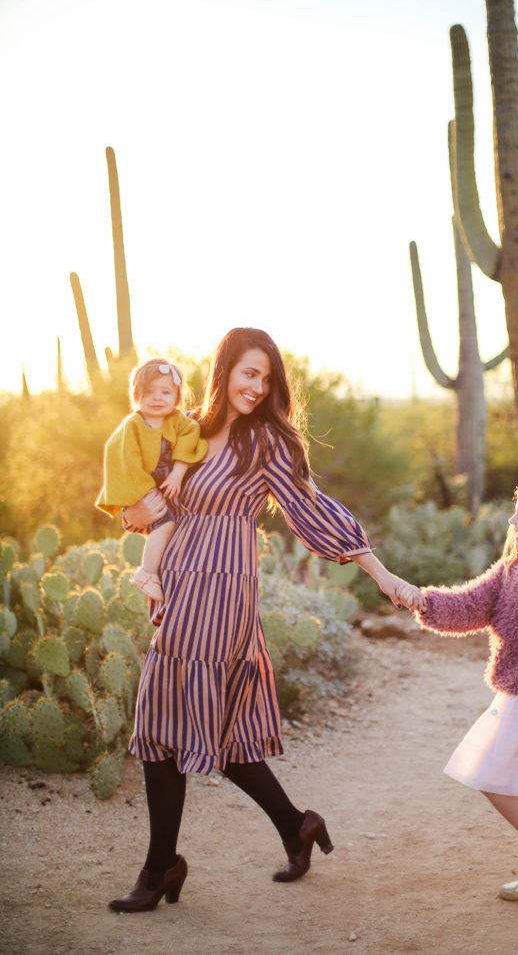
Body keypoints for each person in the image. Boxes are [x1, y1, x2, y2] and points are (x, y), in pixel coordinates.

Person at [108, 327, 421, 913]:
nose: (256, 387)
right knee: (210, 727)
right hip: (179, 583)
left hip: (223, 588)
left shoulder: (266, 444)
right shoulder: (187, 428)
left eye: (267, 378)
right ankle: (294, 826)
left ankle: (157, 871)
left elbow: (313, 507)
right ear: (223, 369)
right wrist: (134, 509)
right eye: (249, 373)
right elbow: (151, 499)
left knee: (162, 721)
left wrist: (384, 577)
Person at [403, 477, 518, 901]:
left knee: (491, 776)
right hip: (514, 698)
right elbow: (469, 605)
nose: (512, 519)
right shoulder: (512, 569)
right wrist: (422, 600)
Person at [96, 358, 208, 603]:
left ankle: (159, 574)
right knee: (165, 524)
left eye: (166, 392)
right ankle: (147, 574)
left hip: (166, 485)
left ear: (177, 397)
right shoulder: (133, 425)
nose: (158, 398)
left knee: (171, 526)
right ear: (137, 395)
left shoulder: (178, 421)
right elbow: (127, 461)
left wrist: (179, 472)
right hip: (140, 489)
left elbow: (191, 436)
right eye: (149, 392)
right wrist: (146, 493)